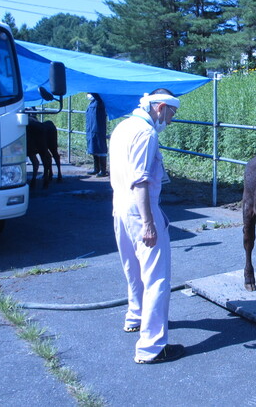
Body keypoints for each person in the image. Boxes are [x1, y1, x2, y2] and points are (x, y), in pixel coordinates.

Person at [109, 88, 185, 364]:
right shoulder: (146, 133)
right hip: (141, 208)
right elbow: (140, 180)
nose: (171, 120)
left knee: (132, 267)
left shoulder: (123, 127)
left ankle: (135, 316)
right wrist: (149, 223)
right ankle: (151, 347)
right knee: (156, 278)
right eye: (172, 113)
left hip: (120, 205)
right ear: (161, 107)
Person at [85, 93, 109, 177]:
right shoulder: (92, 103)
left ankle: (103, 170)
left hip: (98, 129)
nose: (88, 95)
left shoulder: (99, 102)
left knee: (100, 149)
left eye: (89, 93)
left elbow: (97, 95)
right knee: (93, 149)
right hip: (91, 130)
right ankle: (96, 169)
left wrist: (91, 87)